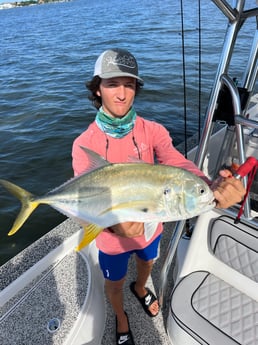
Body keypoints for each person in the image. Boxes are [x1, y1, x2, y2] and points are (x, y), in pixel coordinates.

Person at [72, 48, 245, 345]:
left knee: (147, 262)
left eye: (129, 85)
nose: (122, 94)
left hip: (151, 225)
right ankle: (121, 315)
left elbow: (175, 163)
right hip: (112, 240)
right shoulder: (84, 144)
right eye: (113, 84)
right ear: (97, 89)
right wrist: (115, 224)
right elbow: (85, 196)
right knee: (113, 282)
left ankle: (140, 288)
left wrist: (208, 185)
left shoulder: (151, 130)